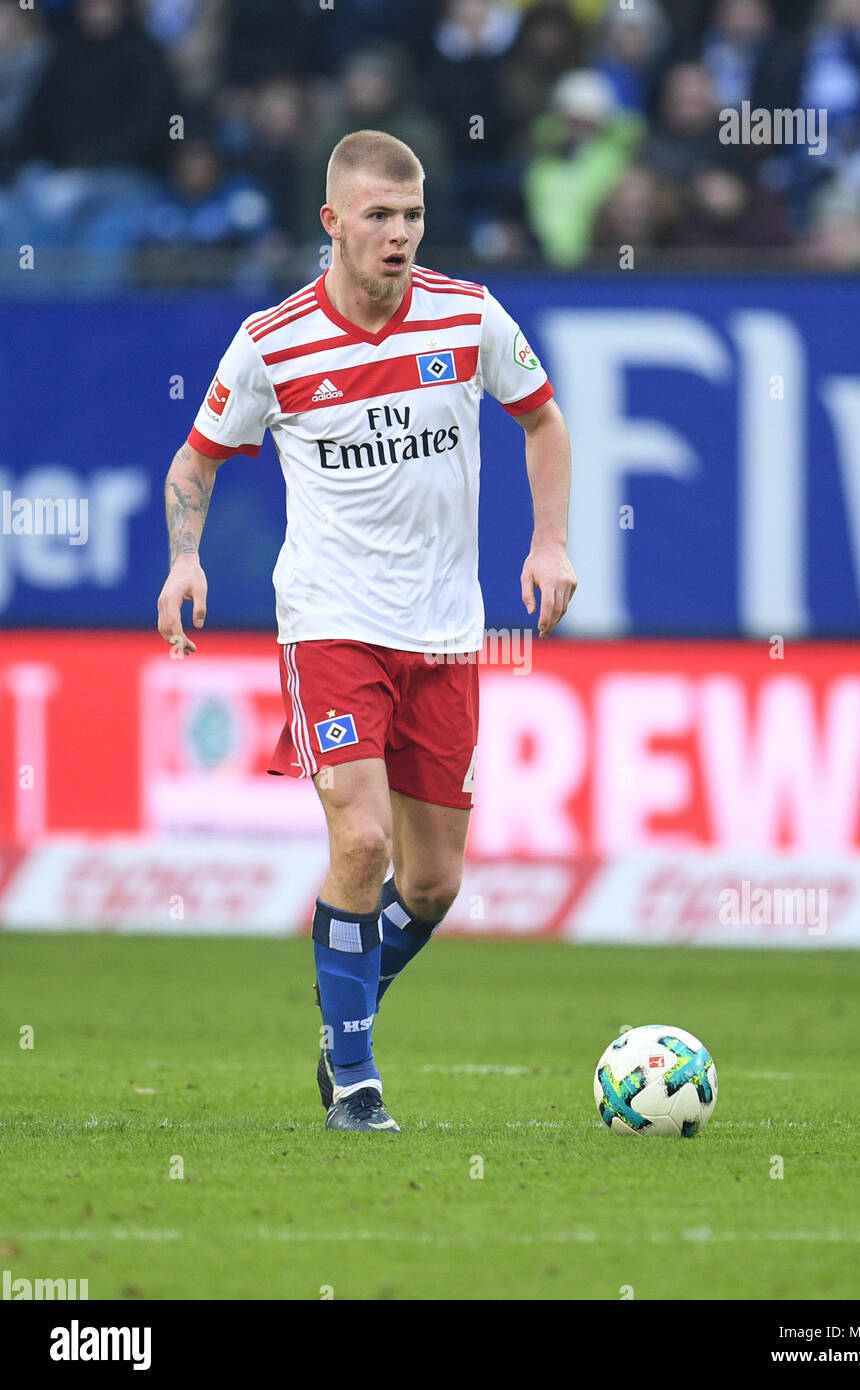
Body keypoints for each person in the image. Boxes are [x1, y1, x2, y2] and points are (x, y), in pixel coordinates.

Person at [157, 129, 577, 1132]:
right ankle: (356, 1086)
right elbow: (197, 459)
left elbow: (543, 420)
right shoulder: (273, 342)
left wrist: (549, 543)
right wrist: (184, 558)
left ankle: (340, 1000)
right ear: (331, 222)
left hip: (444, 633)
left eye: (412, 215)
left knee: (430, 882)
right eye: (378, 217)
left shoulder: (468, 315)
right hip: (332, 626)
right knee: (362, 842)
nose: (397, 235)